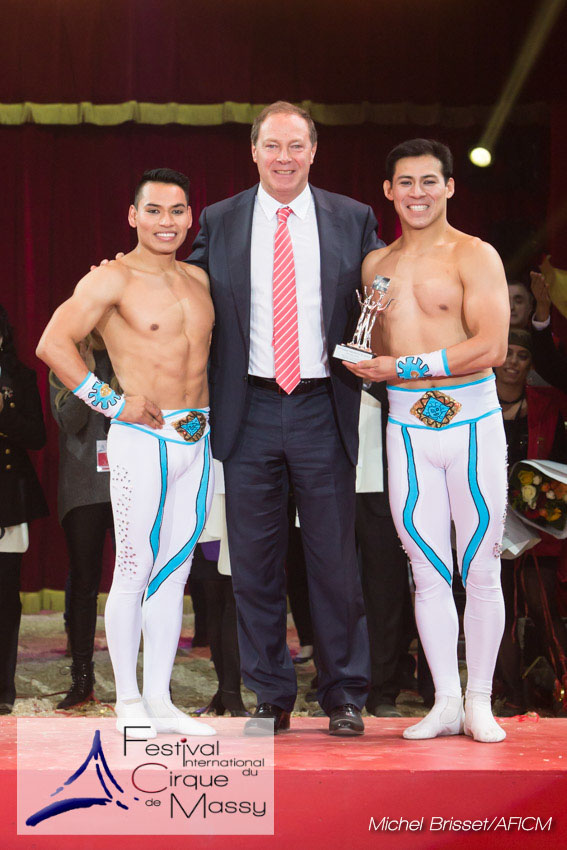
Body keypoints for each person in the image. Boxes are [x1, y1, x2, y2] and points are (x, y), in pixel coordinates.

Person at [188, 101, 382, 736]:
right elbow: (183, 291)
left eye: (296, 146)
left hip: (325, 405)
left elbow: (389, 293)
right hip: (248, 408)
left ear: (314, 151)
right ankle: (270, 695)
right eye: (272, 145)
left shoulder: (352, 218)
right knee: (253, 564)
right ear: (253, 151)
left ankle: (344, 694)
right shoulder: (220, 219)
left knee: (335, 564)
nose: (284, 158)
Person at [37, 168, 215, 737]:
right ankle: (128, 702)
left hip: (198, 438)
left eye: (178, 211)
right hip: (143, 439)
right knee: (134, 568)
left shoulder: (199, 279)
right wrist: (111, 402)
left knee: (175, 572)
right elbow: (52, 343)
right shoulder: (111, 278)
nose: (167, 222)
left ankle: (160, 700)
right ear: (133, 216)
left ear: (190, 217)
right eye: (155, 210)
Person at [346, 138, 510, 743]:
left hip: (472, 425)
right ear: (388, 191)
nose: (418, 193)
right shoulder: (376, 266)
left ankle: (480, 701)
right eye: (406, 183)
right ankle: (444, 702)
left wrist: (404, 367)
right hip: (406, 427)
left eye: (429, 181)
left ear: (449, 187)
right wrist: (361, 358)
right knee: (426, 569)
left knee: (480, 565)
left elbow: (492, 347)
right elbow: (374, 347)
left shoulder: (475, 254)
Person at [494, 329, 567, 713]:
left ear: (531, 364)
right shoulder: (474, 401)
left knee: (543, 606)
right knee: (499, 610)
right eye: (507, 353)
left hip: (539, 526)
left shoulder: (547, 404)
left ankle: (562, 685)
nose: (513, 362)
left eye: (522, 355)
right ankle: (511, 695)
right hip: (489, 522)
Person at [49, 333, 116, 708]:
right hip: (82, 487)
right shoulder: (65, 360)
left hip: (128, 482)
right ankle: (82, 678)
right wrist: (85, 376)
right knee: (84, 582)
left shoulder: (128, 354)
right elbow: (69, 421)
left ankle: (147, 683)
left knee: (137, 580)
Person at [0, 305, 49, 714]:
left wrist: (4, 415)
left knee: (5, 597)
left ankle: (4, 687)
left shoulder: (21, 377)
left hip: (8, 499)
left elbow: (36, 437)